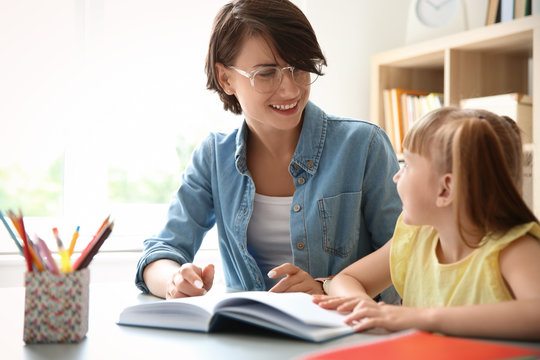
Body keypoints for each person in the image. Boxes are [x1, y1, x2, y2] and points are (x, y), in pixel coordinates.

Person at [135, 0, 401, 300]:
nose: (290, 90)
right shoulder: (213, 157)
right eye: (266, 73)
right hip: (249, 339)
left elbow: (406, 255)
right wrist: (174, 280)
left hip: (348, 336)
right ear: (226, 79)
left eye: (300, 67)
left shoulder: (364, 145)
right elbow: (161, 251)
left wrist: (326, 289)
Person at [313, 107, 540, 340]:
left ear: (446, 189)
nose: (396, 176)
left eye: (408, 165)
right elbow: (347, 279)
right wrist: (367, 309)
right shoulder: (415, 236)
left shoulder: (515, 250)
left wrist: (423, 318)